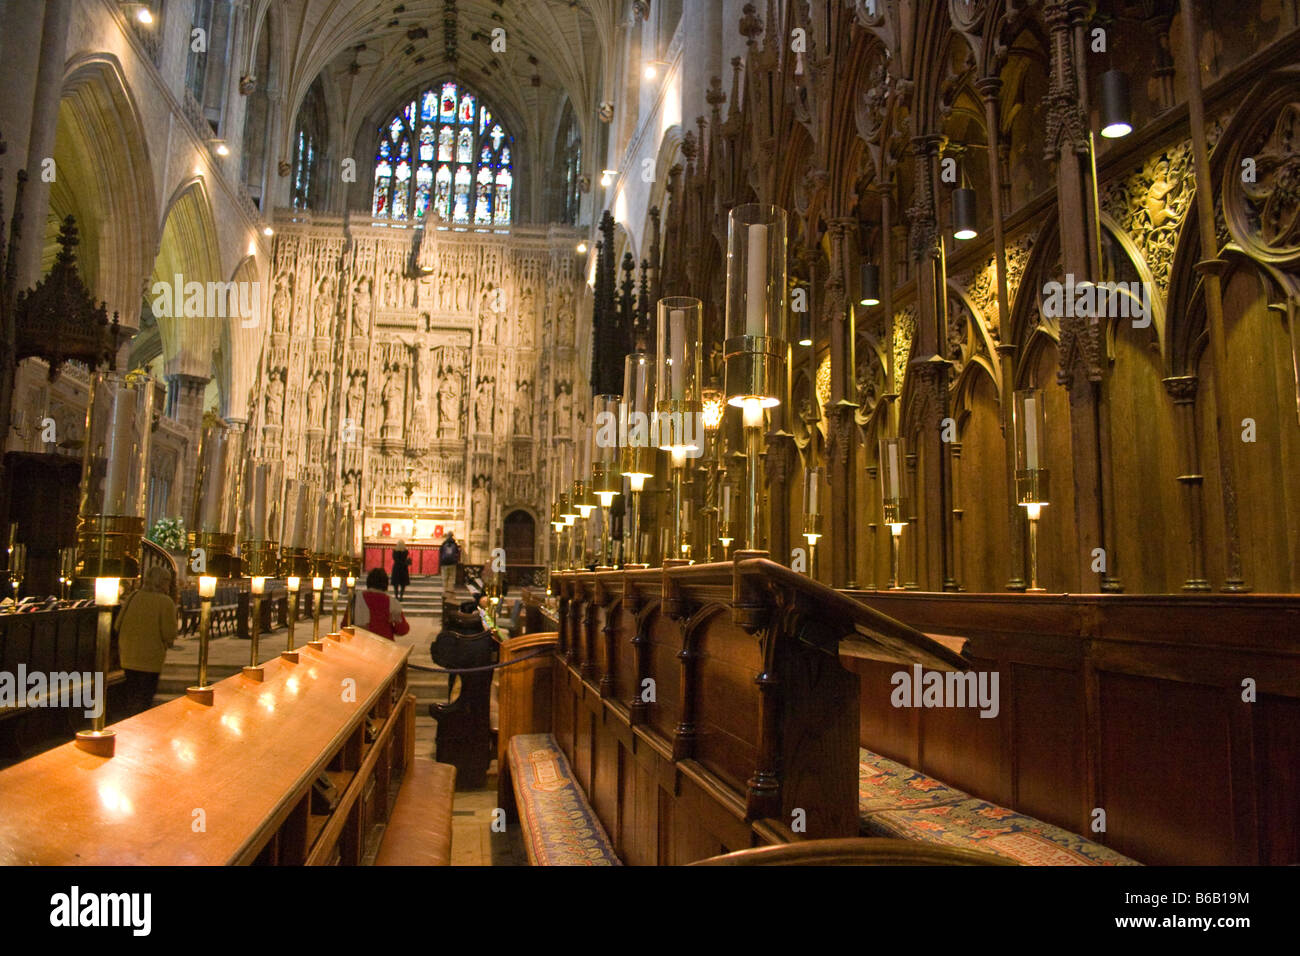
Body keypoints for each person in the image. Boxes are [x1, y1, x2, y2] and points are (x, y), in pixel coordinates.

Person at [115, 565, 178, 718]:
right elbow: (169, 633)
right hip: (150, 659)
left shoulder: (133, 596)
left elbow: (117, 625)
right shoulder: (165, 602)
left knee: (131, 696)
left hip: (128, 656)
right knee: (144, 699)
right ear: (163, 582)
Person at [352, 568, 410, 640]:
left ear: (368, 582)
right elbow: (402, 630)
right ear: (386, 583)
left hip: (360, 643)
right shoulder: (393, 603)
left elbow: (345, 625)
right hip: (385, 644)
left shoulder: (356, 599)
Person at [439, 532, 460, 597]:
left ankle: (445, 590)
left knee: (445, 577)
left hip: (444, 563)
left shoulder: (444, 543)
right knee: (452, 577)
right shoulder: (455, 544)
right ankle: (450, 590)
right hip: (452, 563)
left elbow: (440, 552)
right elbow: (457, 552)